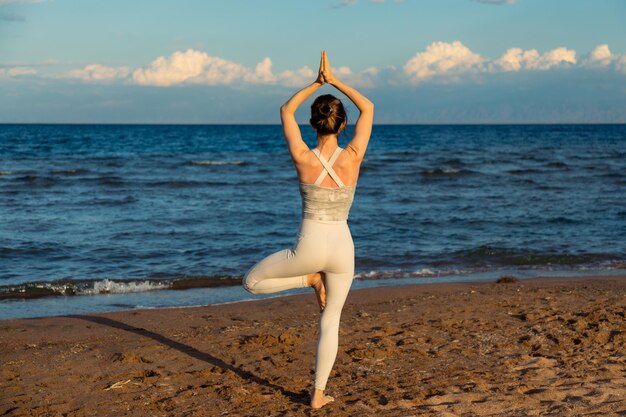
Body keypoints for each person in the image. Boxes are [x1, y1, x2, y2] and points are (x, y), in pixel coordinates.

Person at [242, 51, 374, 409]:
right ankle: (317, 394)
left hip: (310, 247)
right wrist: (335, 82)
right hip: (344, 247)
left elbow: (285, 110)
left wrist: (316, 83)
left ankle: (308, 280)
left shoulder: (303, 156)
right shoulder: (353, 156)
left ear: (313, 125)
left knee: (252, 283)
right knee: (331, 322)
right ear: (341, 125)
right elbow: (369, 107)